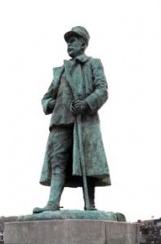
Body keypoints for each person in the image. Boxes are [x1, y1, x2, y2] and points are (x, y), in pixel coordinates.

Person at [33, 26, 111, 214]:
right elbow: (46, 97)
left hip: (83, 121)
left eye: (73, 40)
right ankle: (53, 203)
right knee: (57, 161)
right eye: (68, 41)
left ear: (83, 43)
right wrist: (52, 103)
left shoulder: (93, 63)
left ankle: (89, 204)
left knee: (87, 160)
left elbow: (102, 89)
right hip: (60, 121)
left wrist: (86, 103)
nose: (69, 44)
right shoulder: (60, 71)